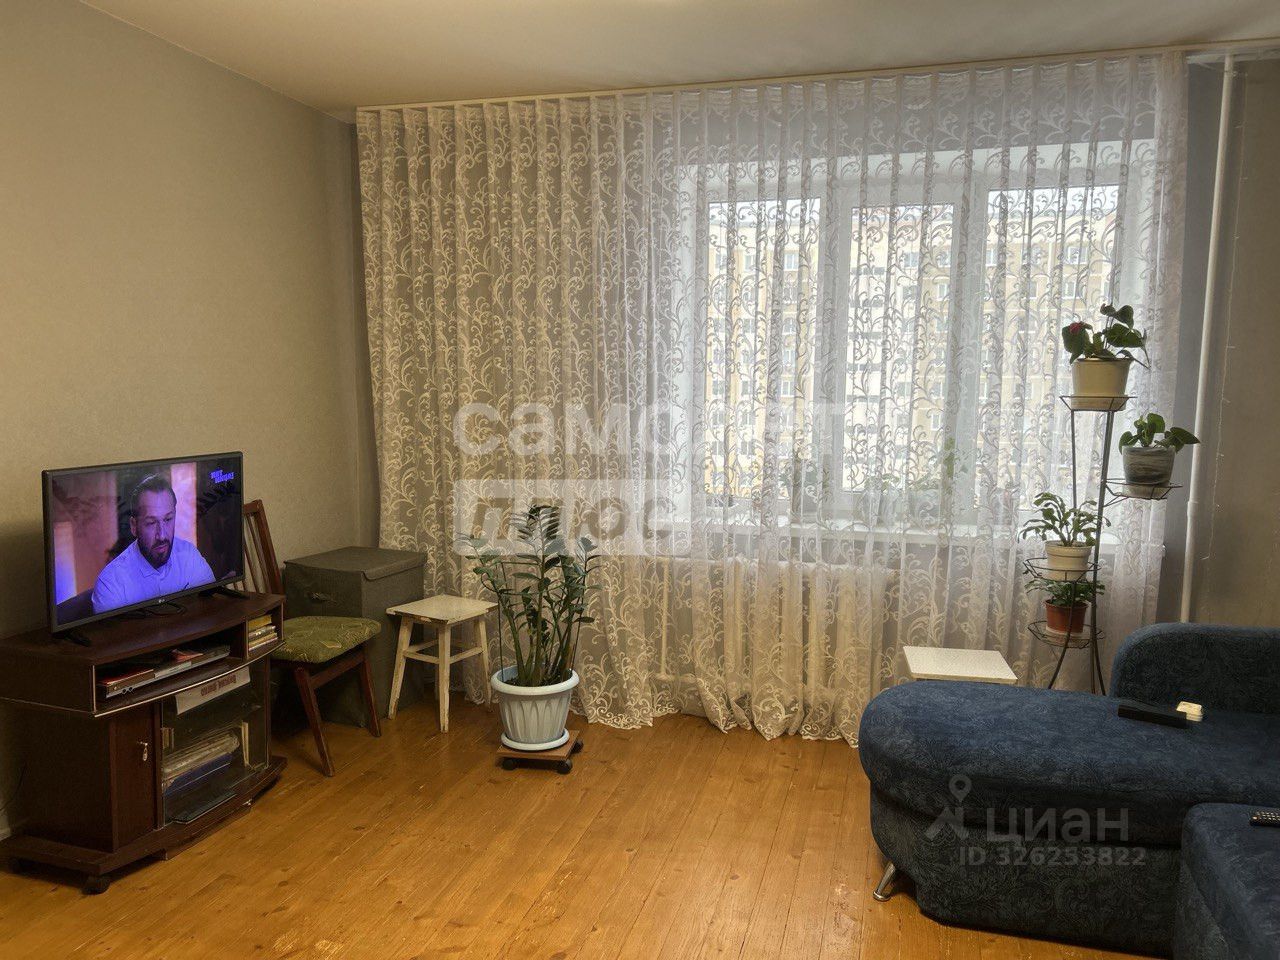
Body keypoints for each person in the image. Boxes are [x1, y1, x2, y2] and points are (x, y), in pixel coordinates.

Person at [92, 474, 215, 613]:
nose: (162, 535)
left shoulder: (189, 555)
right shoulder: (110, 584)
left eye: (168, 519)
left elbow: (210, 608)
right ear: (134, 526)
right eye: (151, 523)